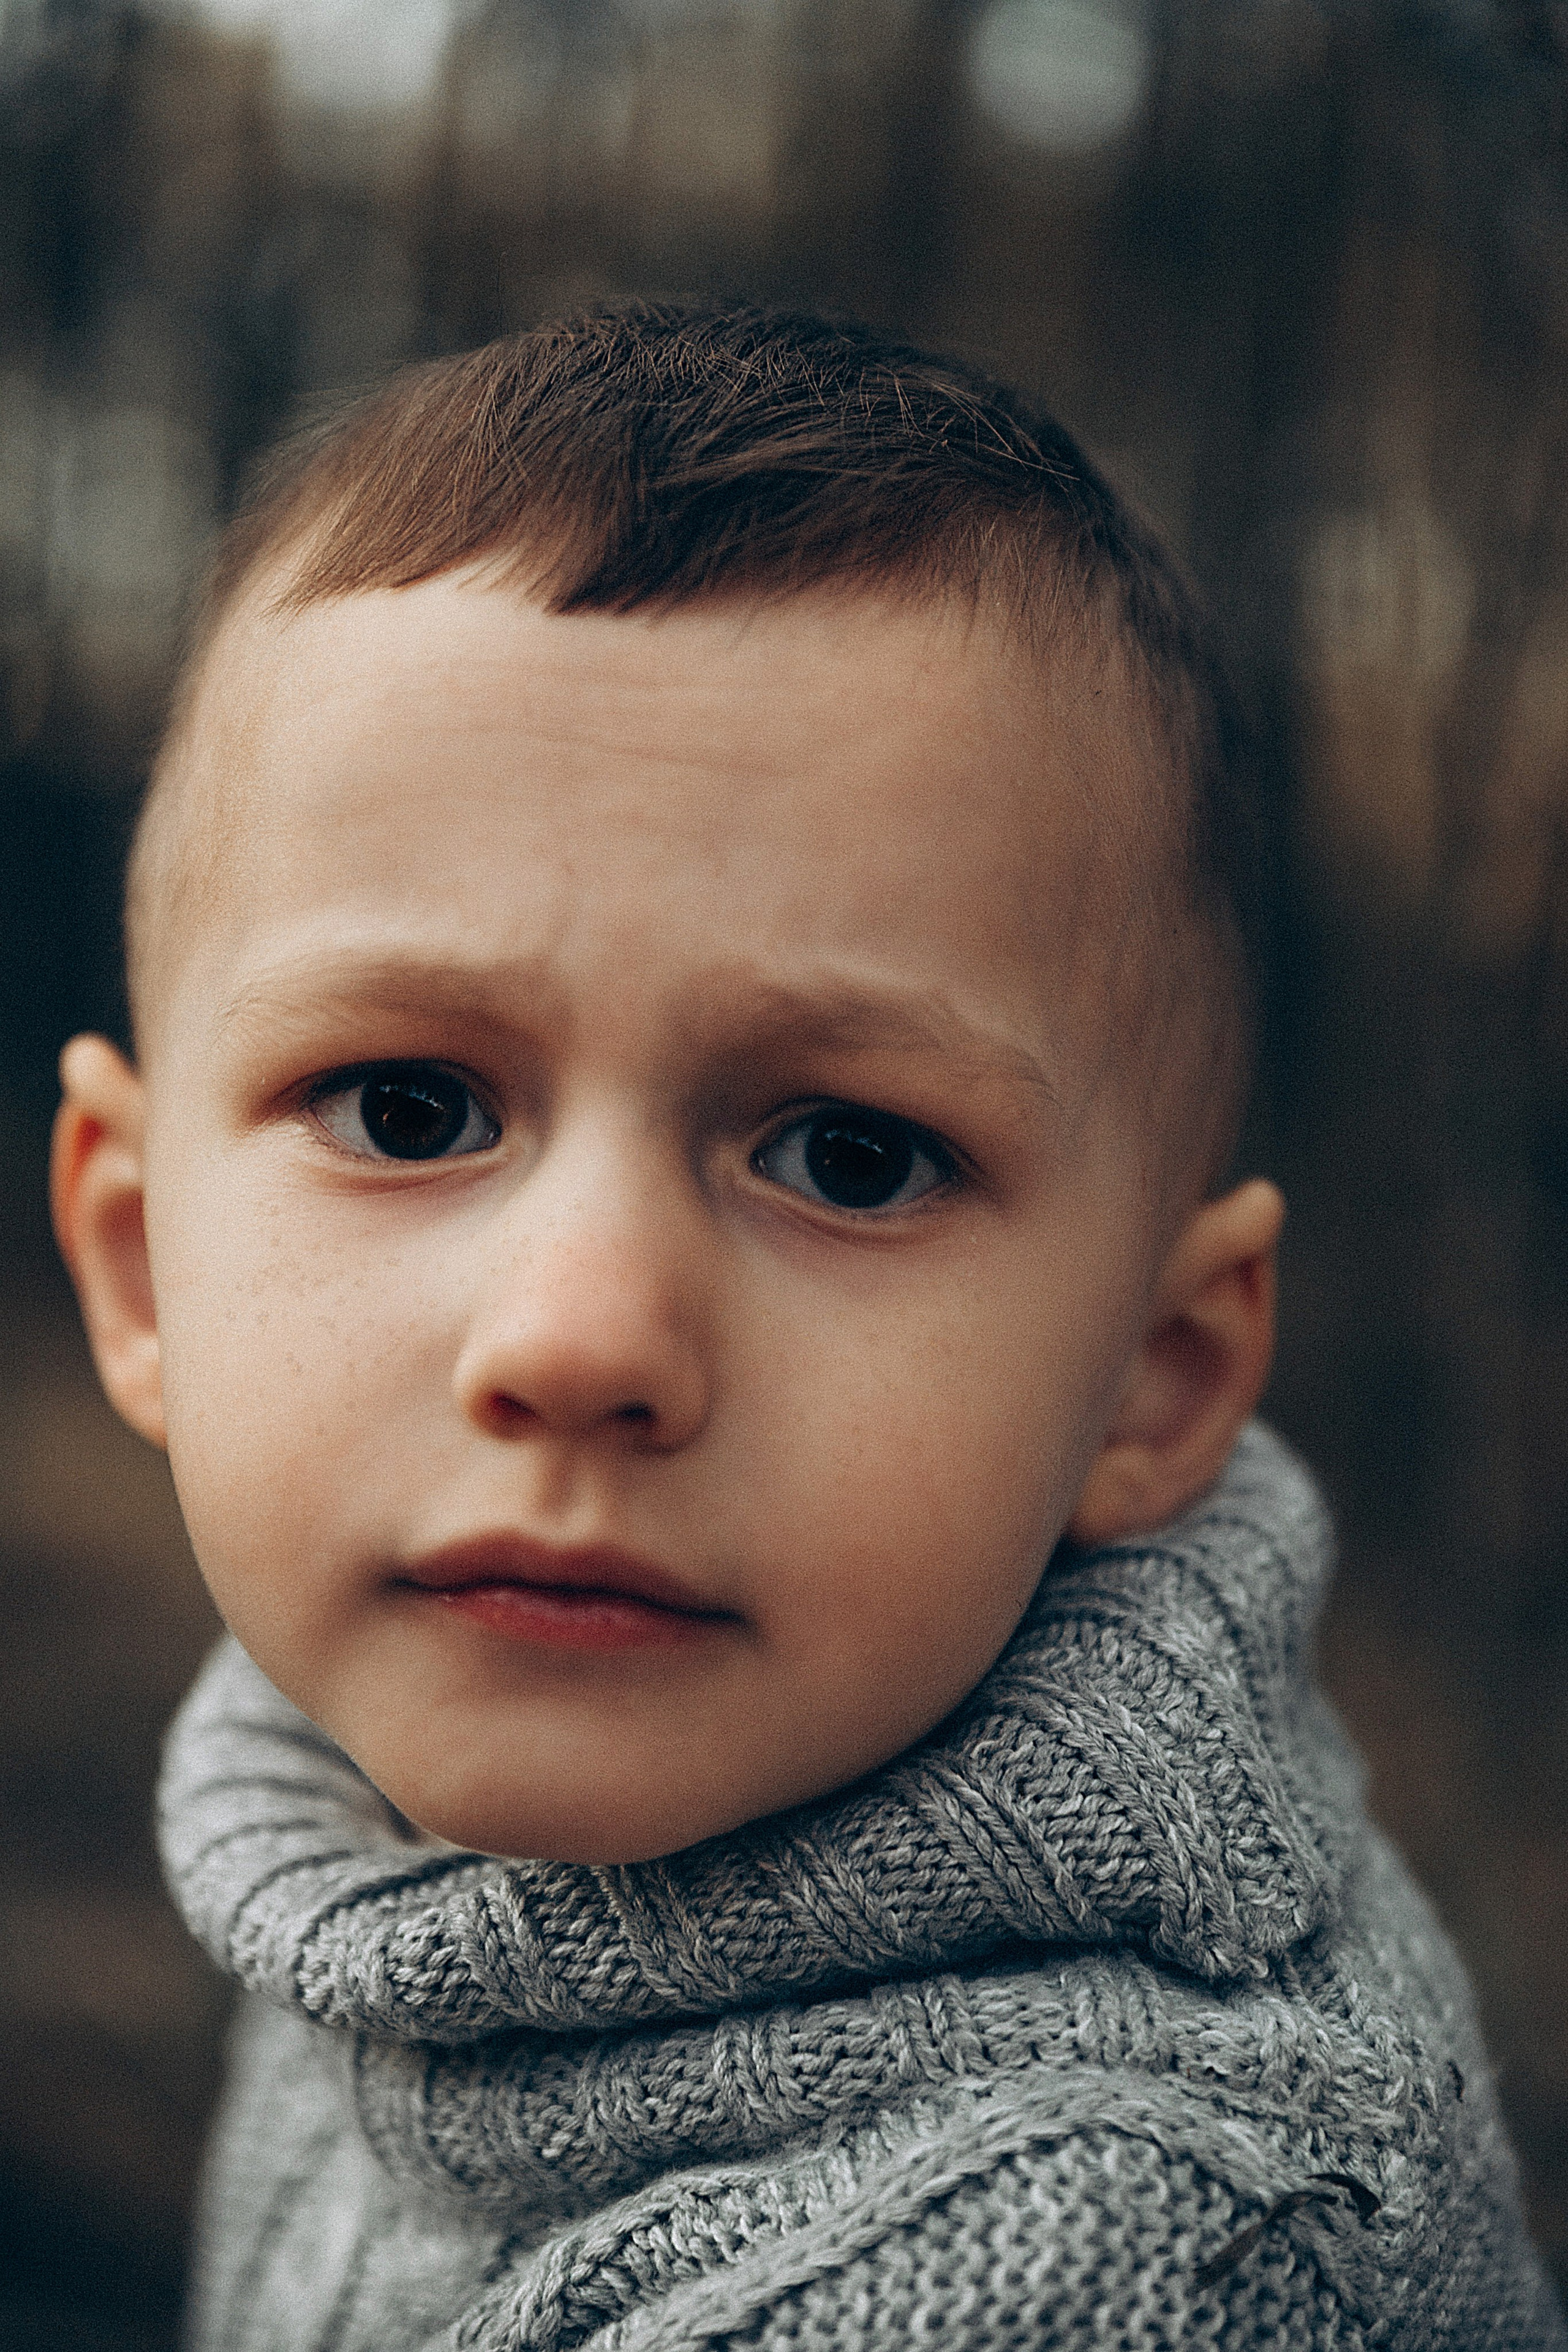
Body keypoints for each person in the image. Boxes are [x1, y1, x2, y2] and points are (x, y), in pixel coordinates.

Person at [50, 301, 1566, 2351]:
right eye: (412, 1111)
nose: (583, 1338)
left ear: (1160, 1370)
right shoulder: (370, 1818)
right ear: (142, 1268)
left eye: (850, 1157)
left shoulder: (1111, 2263)